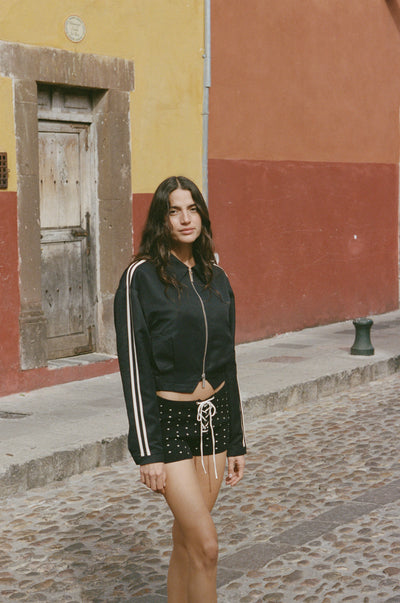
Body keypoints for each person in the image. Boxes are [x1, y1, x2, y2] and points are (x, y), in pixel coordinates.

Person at [114, 176, 246, 602]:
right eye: (174, 211)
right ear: (162, 219)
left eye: (192, 209)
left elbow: (228, 362)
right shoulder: (140, 277)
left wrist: (237, 439)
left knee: (187, 543)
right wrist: (146, 451)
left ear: (202, 216)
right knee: (207, 547)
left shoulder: (217, 277)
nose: (185, 219)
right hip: (169, 425)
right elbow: (134, 369)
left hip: (213, 423)